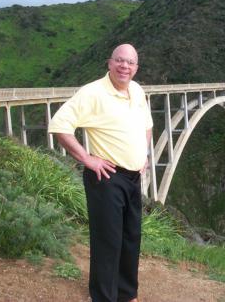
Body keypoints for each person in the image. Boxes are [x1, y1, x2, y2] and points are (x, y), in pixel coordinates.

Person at [48, 44, 153, 302]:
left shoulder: (137, 91)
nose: (124, 66)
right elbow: (60, 125)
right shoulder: (92, 93)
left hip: (132, 177)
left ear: (136, 68)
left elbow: (147, 125)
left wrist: (144, 154)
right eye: (119, 60)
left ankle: (127, 294)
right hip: (107, 177)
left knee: (131, 238)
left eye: (130, 62)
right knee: (108, 241)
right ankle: (104, 297)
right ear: (109, 63)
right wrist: (86, 158)